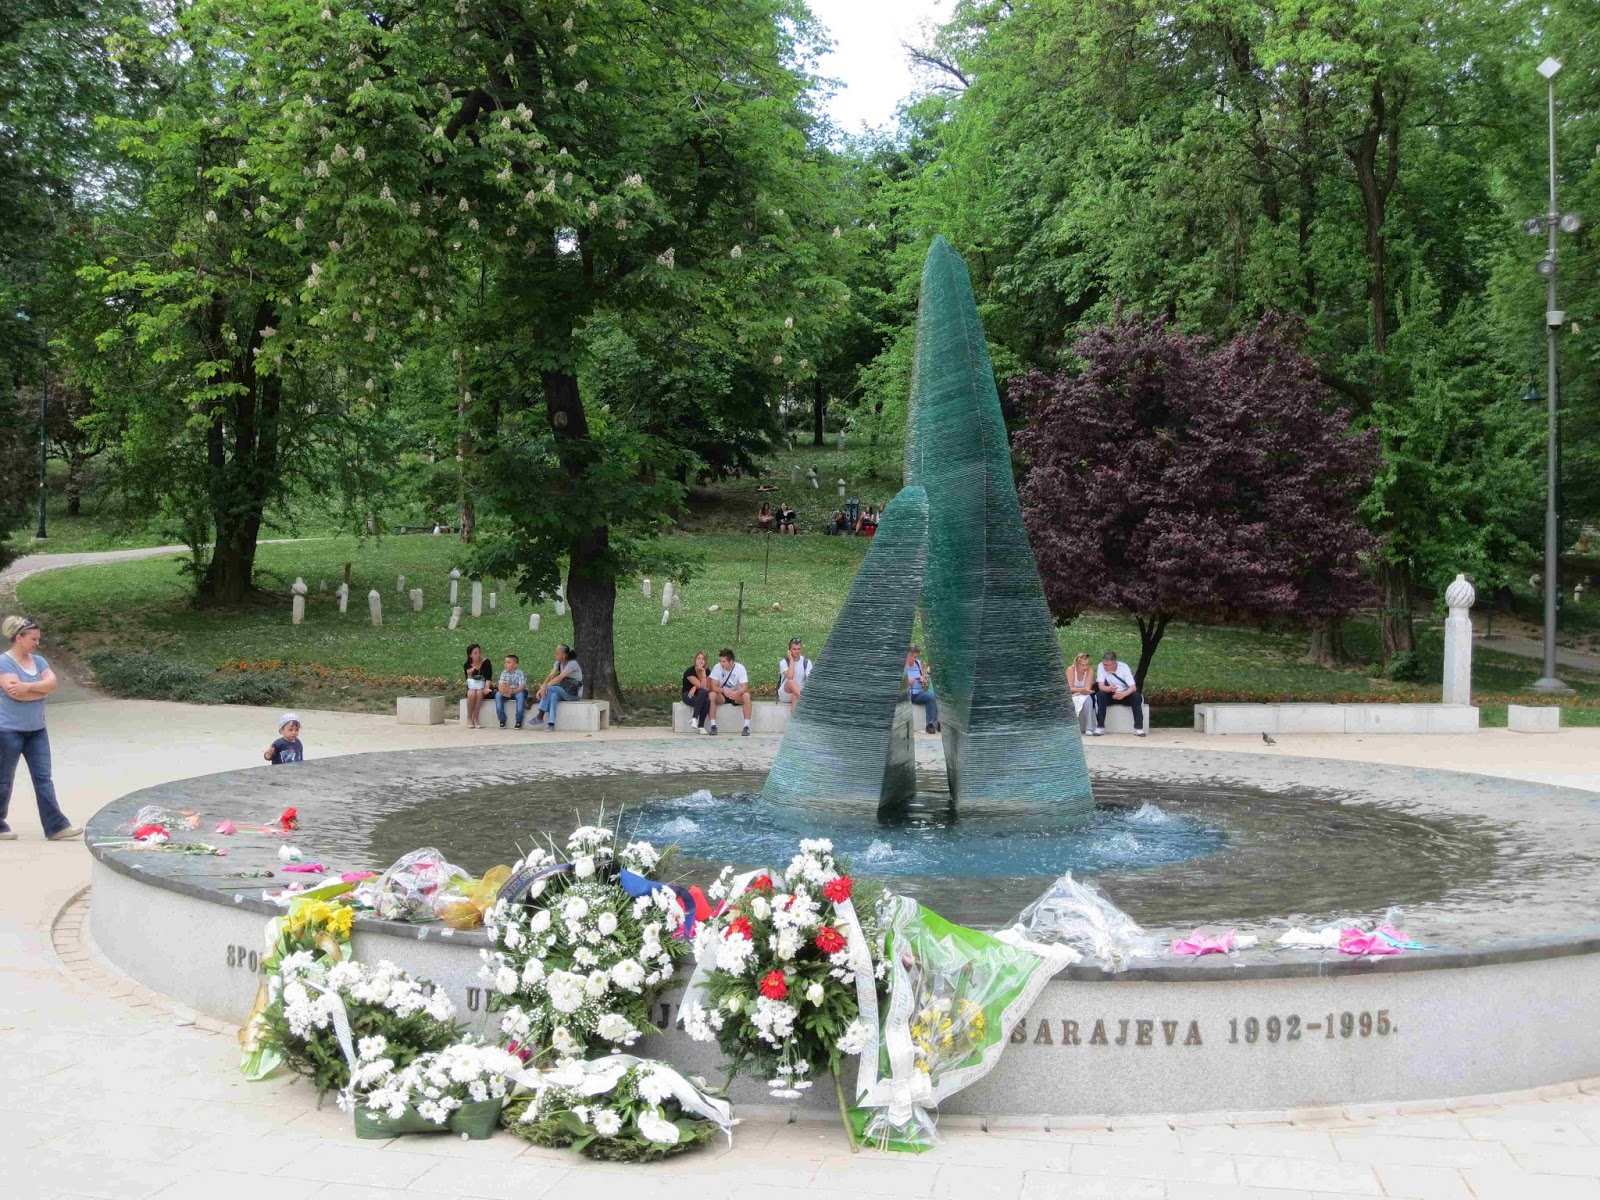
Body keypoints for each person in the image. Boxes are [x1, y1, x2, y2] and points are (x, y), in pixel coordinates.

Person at [0, 615, 80, 841]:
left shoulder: (40, 661)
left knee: (44, 778)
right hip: (8, 731)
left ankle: (56, 827)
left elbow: (52, 684)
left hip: (37, 730)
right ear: (19, 638)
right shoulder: (4, 662)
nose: (37, 643)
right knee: (4, 779)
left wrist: (28, 687)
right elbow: (14, 693)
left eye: (38, 639)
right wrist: (40, 690)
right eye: (33, 639)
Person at [1093, 650, 1145, 736]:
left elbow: (1133, 687)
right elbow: (1101, 686)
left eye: (1107, 665)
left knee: (1136, 696)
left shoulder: (1124, 667)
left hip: (1125, 694)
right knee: (1101, 695)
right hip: (1111, 693)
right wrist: (1109, 688)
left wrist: (1122, 694)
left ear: (1114, 663)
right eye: (1104, 664)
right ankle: (1100, 727)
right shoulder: (1101, 666)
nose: (1104, 666)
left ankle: (1138, 728)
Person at [534, 644, 584, 730]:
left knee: (549, 688)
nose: (555, 655)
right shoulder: (558, 663)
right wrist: (543, 686)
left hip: (574, 694)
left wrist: (544, 687)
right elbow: (551, 675)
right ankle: (551, 724)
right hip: (564, 690)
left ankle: (540, 715)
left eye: (557, 653)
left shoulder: (572, 664)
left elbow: (560, 677)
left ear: (564, 655)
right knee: (553, 695)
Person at [708, 647, 752, 736]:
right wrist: (723, 690)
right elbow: (713, 686)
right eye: (720, 661)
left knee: (746, 696)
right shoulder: (717, 667)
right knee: (711, 695)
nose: (721, 664)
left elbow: (744, 687)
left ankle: (746, 726)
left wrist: (736, 692)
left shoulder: (740, 668)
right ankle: (713, 725)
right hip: (722, 694)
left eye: (724, 661)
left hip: (735, 694)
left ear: (731, 662)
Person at [906, 645, 940, 734]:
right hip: (906, 694)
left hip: (918, 694)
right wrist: (906, 681)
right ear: (909, 655)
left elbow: (922, 677)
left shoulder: (918, 663)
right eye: (914, 657)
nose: (916, 659)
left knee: (931, 696)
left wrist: (923, 679)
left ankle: (931, 724)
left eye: (917, 657)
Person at [462, 643, 494, 729]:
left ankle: (475, 717)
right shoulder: (467, 665)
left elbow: (488, 678)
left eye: (479, 652)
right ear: (470, 655)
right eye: (475, 653)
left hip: (483, 686)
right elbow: (468, 681)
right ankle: (469, 717)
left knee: (479, 693)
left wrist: (486, 688)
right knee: (471, 694)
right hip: (472, 686)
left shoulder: (486, 662)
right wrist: (469, 674)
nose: (478, 655)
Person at [681, 651, 713, 733]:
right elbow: (702, 686)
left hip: (700, 695)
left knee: (707, 700)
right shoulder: (690, 671)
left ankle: (699, 725)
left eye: (703, 659)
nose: (701, 660)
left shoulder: (707, 671)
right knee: (703, 698)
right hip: (688, 695)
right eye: (699, 658)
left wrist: (703, 672)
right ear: (695, 660)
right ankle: (695, 719)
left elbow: (707, 688)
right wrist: (696, 686)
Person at [778, 638, 812, 712]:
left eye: (799, 649)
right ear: (789, 650)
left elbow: (809, 680)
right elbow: (790, 676)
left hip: (798, 692)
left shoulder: (806, 662)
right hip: (786, 693)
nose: (797, 651)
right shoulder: (784, 662)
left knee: (795, 696)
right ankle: (805, 699)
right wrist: (791, 660)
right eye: (794, 649)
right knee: (791, 682)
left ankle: (794, 718)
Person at [495, 654, 529, 729]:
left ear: (515, 665)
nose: (506, 664)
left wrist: (512, 691)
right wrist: (502, 691)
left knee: (520, 695)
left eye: (508, 662)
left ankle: (518, 720)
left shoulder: (520, 673)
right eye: (505, 662)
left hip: (518, 691)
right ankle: (502, 719)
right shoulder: (504, 673)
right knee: (498, 695)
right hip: (507, 692)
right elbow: (500, 685)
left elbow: (522, 687)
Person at [1066, 651, 1096, 734]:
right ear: (1077, 665)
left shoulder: (1090, 670)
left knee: (1088, 699)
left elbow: (1087, 688)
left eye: (1087, 664)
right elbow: (1069, 688)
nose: (1085, 667)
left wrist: (1080, 691)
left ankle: (1089, 728)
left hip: (1083, 694)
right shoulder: (1071, 670)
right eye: (1083, 665)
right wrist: (1080, 690)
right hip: (1072, 694)